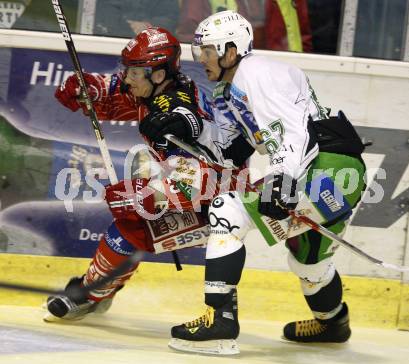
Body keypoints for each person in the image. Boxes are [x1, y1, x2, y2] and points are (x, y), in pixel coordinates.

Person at [148, 10, 366, 355]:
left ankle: (219, 321)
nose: (199, 59)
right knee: (310, 262)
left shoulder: (257, 73)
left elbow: (293, 131)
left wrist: (282, 179)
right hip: (337, 174)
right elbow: (229, 149)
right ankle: (333, 322)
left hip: (328, 170)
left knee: (228, 211)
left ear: (230, 52)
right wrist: (182, 129)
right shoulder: (231, 89)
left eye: (206, 51)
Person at [44, 26, 254, 321]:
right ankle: (97, 293)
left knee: (129, 228)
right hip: (199, 188)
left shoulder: (173, 116)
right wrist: (89, 88)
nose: (126, 78)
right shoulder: (159, 89)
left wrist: (145, 196)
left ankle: (91, 295)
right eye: (127, 69)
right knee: (130, 226)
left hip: (217, 202)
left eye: (133, 72)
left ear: (157, 74)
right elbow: (114, 92)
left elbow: (198, 182)